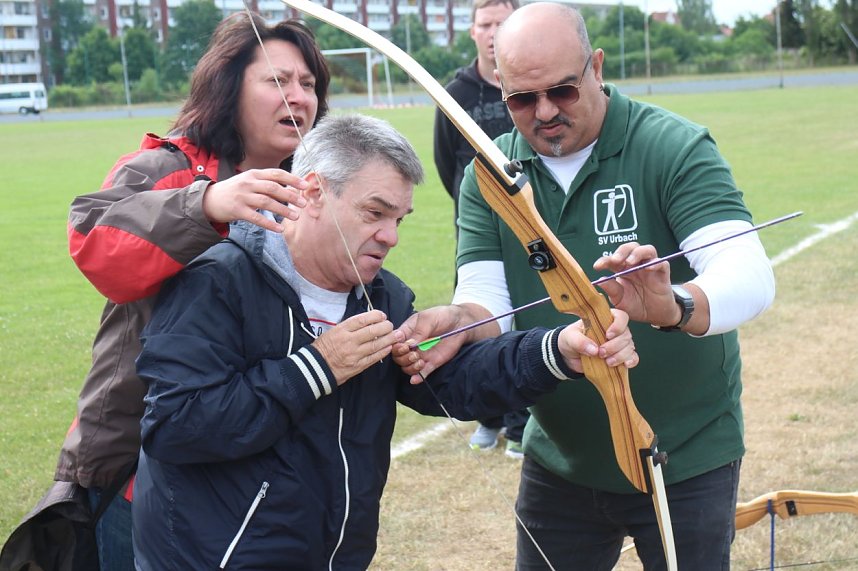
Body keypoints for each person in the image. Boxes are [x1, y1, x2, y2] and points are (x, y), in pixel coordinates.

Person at [129, 113, 639, 569]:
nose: (391, 236)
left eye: (398, 219)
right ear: (312, 192)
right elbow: (175, 425)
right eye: (375, 213)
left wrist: (557, 351)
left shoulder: (380, 296)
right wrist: (316, 368)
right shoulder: (217, 281)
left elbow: (446, 379)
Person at [394, 3, 776, 569]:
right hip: (560, 457)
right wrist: (461, 321)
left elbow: (748, 273)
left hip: (684, 456)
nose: (546, 111)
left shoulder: (672, 146)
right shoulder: (488, 178)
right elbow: (488, 302)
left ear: (596, 67)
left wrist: (672, 305)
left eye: (563, 91)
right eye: (522, 99)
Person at [53, 13, 329, 569]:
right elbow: (93, 242)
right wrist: (207, 205)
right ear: (229, 88)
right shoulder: (169, 168)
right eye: (277, 81)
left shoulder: (313, 188)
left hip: (258, 463)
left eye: (308, 83)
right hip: (138, 470)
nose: (298, 97)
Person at [433, 0, 529, 458]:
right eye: (485, 24)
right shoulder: (456, 93)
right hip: (475, 229)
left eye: (502, 23)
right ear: (472, 31)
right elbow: (444, 160)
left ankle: (521, 423)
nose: (493, 32)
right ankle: (488, 417)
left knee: (524, 314)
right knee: (477, 315)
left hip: (527, 225)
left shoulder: (528, 85)